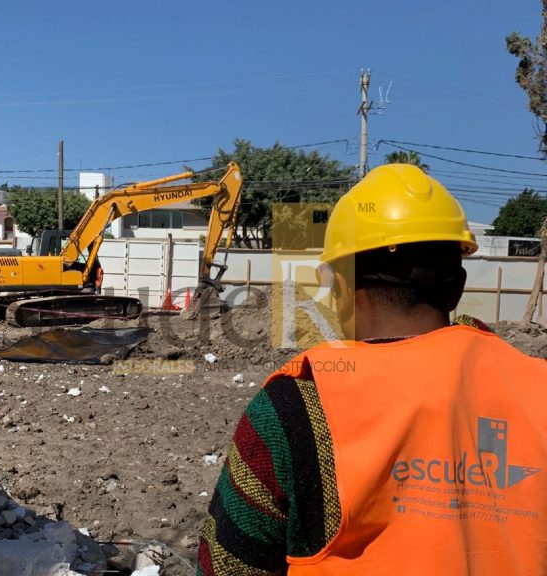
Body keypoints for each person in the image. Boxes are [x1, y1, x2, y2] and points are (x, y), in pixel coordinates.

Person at [197, 164, 547, 575]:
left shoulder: (297, 402)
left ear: (341, 287)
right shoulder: (537, 386)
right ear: (457, 287)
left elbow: (225, 565)